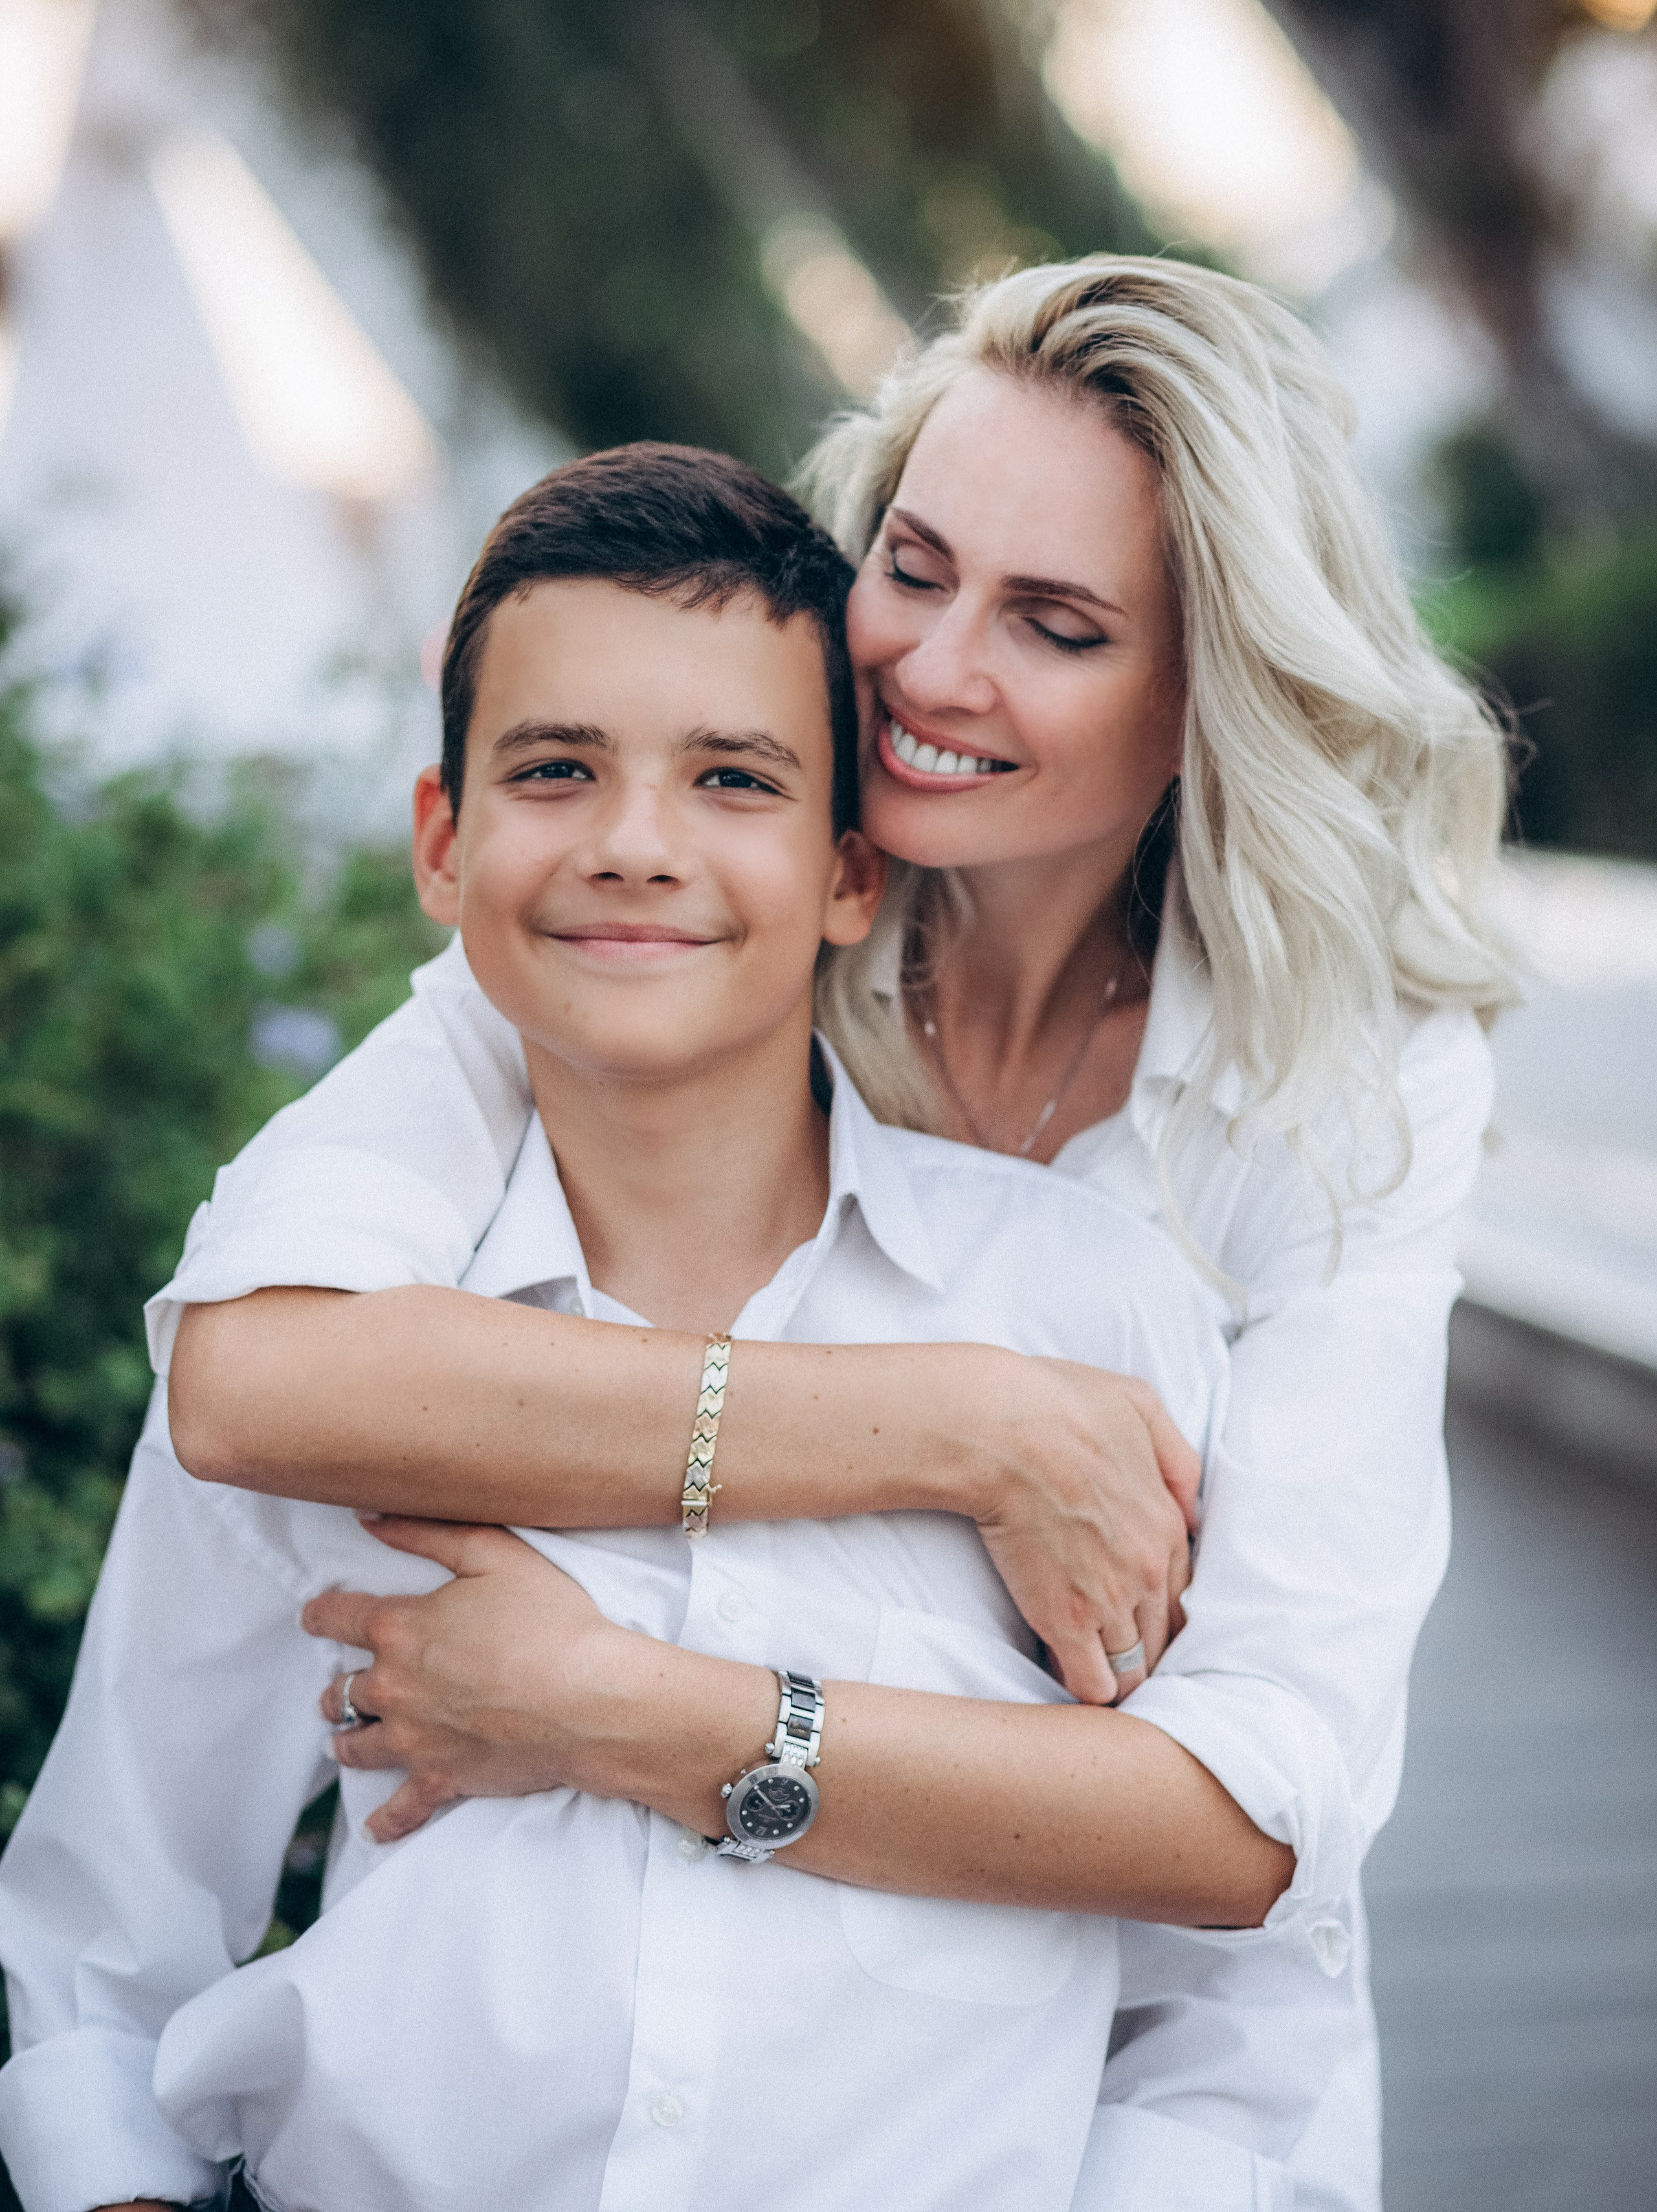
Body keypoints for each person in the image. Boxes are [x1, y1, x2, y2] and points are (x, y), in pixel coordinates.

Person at [123, 258, 1511, 2208]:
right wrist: (967, 1425)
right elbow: (256, 1376)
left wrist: (621, 1712)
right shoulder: (679, 921)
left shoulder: (1343, 1083)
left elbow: (1256, 1810)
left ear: (1206, 694)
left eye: (1055, 625)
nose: (931, 671)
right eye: (915, 569)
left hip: (1119, 2120)